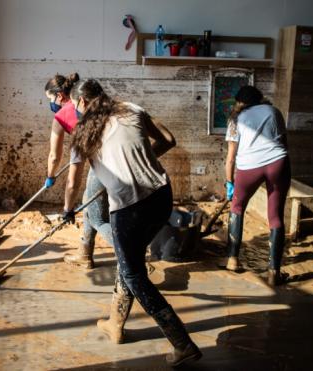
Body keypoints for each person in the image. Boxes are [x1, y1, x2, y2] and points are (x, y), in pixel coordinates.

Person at [61, 79, 201, 366]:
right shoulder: (132, 109)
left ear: (83, 103)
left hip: (129, 208)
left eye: (76, 106)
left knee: (135, 274)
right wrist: (142, 159)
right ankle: (115, 322)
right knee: (129, 261)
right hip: (161, 196)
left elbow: (73, 181)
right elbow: (168, 140)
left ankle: (182, 342)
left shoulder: (82, 134)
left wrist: (67, 209)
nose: (76, 112)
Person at [42, 73, 113, 269]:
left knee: (98, 217)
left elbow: (56, 159)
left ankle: (132, 255)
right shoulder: (88, 103)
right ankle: (85, 253)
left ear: (59, 96)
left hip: (104, 165)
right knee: (88, 201)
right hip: (111, 160)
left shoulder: (63, 117)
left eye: (50, 99)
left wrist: (51, 178)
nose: (51, 104)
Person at [223, 85, 291, 286]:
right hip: (277, 162)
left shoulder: (236, 119)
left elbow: (230, 158)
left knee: (237, 208)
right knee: (275, 215)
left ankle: (232, 260)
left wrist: (229, 183)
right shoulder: (273, 111)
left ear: (239, 102)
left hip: (248, 167)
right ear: (260, 98)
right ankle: (273, 273)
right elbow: (284, 143)